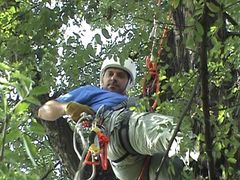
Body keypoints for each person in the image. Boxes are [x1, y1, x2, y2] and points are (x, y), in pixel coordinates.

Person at [38, 57, 183, 180]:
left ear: (128, 83)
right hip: (111, 131)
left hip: (131, 163)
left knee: (173, 164)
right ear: (103, 78)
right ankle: (195, 145)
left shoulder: (136, 102)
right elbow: (43, 111)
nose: (114, 78)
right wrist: (66, 108)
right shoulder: (91, 91)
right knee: (166, 128)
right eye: (110, 74)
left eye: (120, 75)